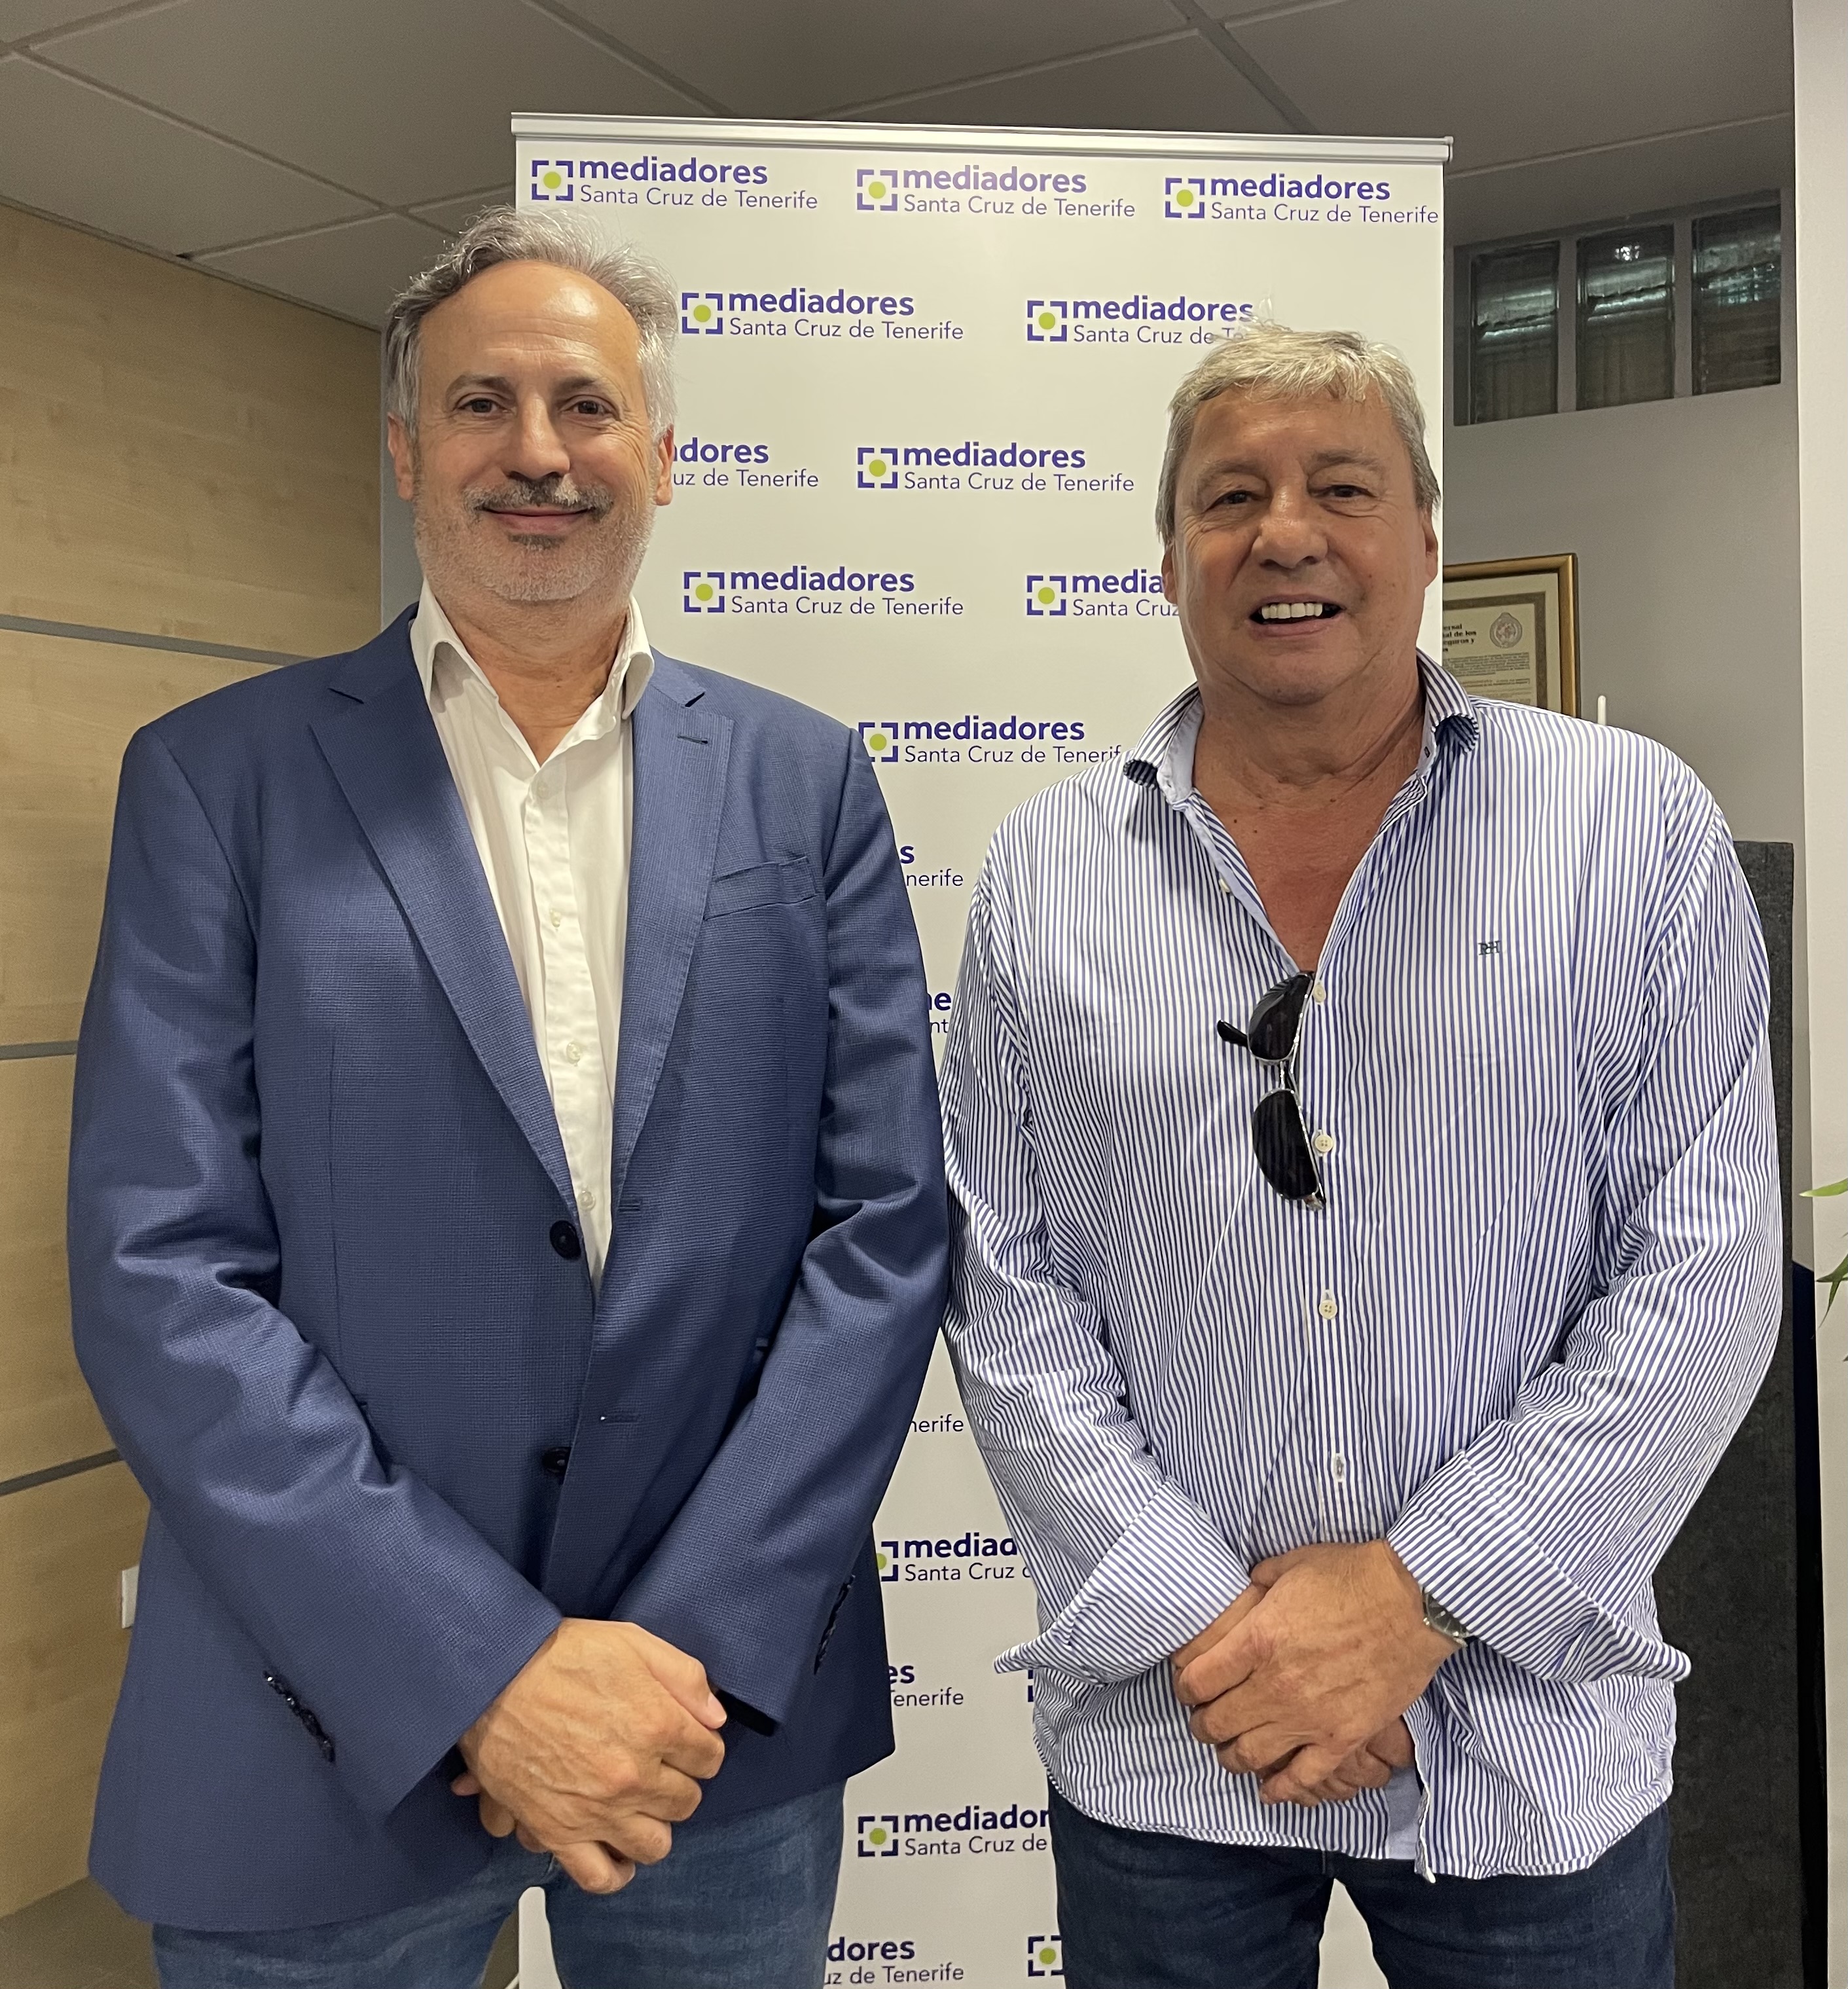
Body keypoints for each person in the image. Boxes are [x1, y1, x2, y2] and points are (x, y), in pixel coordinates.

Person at [67, 207, 947, 1989]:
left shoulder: (805, 781)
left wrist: (669, 1663)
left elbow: (882, 1230)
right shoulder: (217, 781)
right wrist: (483, 1669)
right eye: (481, 404)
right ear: (407, 454)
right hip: (314, 1718)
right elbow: (160, 1270)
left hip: (715, 1725)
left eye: (586, 405)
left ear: (662, 457)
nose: (536, 450)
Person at [940, 324, 1780, 1988]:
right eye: (1228, 497)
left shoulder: (1631, 833)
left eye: (1340, 487)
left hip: (1525, 1741)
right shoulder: (1044, 872)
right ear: (1167, 557)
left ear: (1424, 537)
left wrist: (1415, 1603)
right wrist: (1220, 1629)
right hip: (1176, 1728)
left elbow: (1701, 1272)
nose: (1284, 534)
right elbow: (1003, 1279)